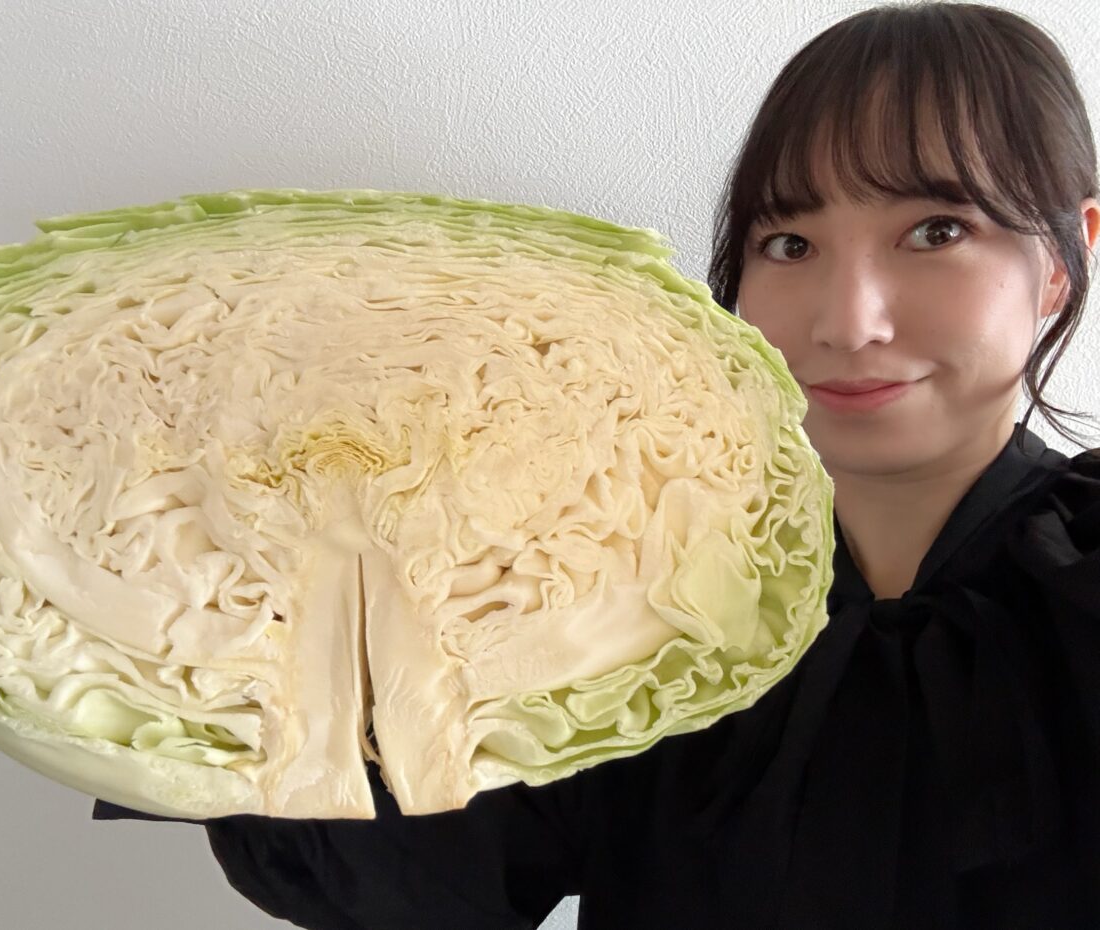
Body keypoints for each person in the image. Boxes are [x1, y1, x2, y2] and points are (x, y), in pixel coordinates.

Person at [93, 3, 1100, 927]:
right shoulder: (627, 587)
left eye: (936, 231)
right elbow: (428, 877)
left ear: (1064, 257)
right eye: (789, 244)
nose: (848, 323)